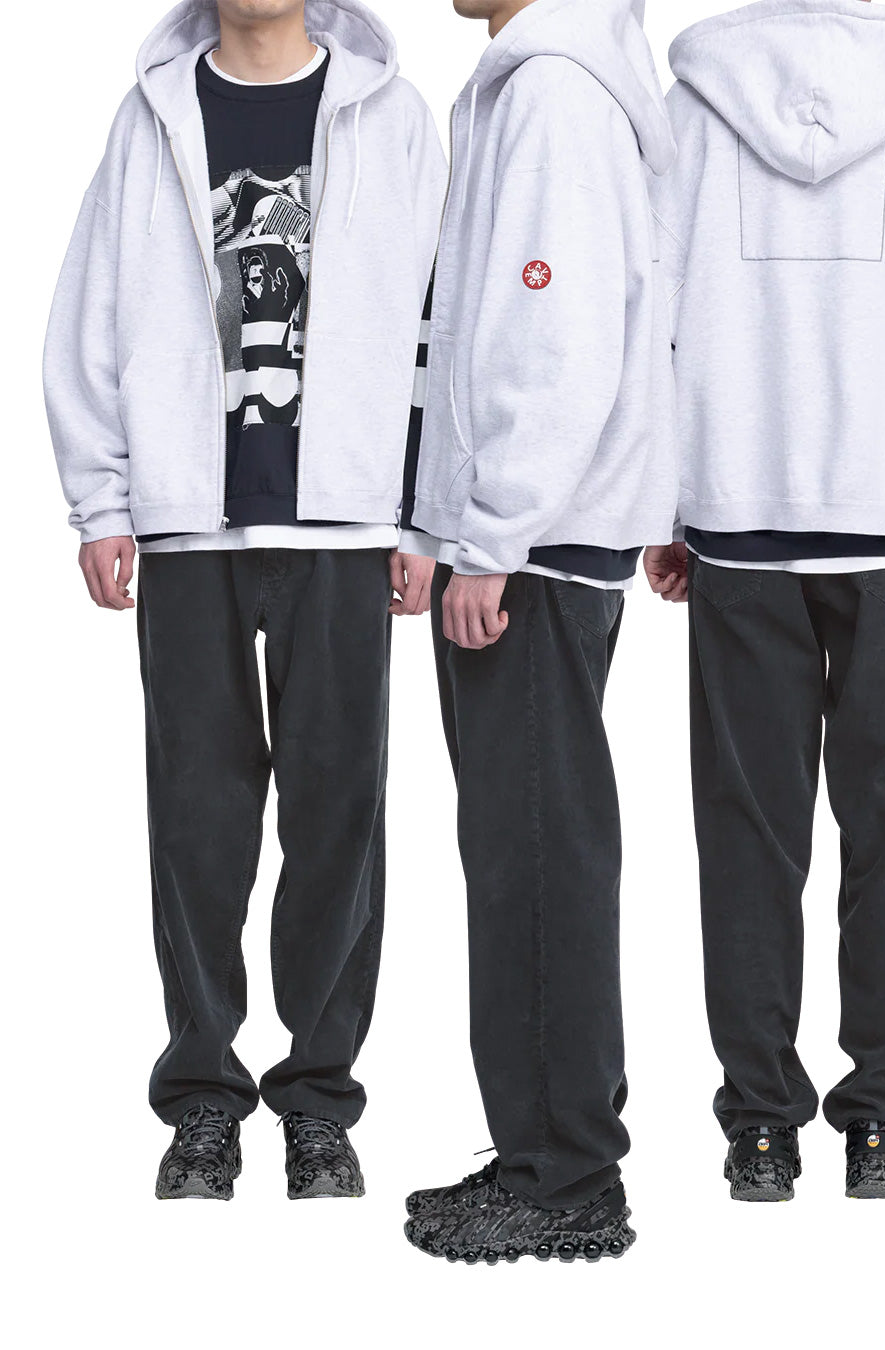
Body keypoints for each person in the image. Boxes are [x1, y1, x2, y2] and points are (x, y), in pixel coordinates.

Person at [43, 0, 447, 1201]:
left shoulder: (390, 115)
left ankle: (317, 1101)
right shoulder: (150, 116)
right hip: (189, 526)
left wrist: (426, 513)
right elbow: (90, 310)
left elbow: (438, 317)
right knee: (197, 825)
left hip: (346, 522)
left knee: (339, 819)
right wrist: (102, 502)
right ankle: (203, 1102)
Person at [647, 0, 885, 1200]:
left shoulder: (695, 105)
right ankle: (877, 1119)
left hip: (739, 513)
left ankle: (760, 1128)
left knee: (745, 838)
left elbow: (644, 306)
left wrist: (658, 499)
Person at [398, 0, 676, 1262]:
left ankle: (563, 1183)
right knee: (531, 845)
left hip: (533, 546)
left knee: (534, 854)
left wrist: (491, 534)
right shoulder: (540, 83)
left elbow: (550, 338)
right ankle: (544, 1155)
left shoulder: (555, 93)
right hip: (539, 538)